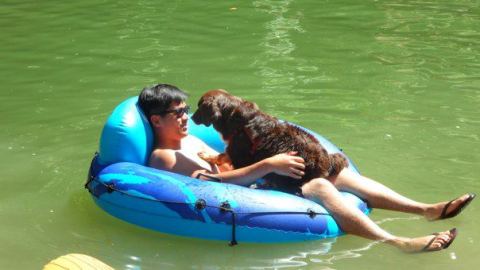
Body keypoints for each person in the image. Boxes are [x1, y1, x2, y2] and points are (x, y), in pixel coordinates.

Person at [138, 83, 475, 253]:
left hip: (257, 180)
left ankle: (426, 209)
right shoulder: (163, 157)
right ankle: (398, 242)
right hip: (241, 196)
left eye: (185, 111)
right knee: (320, 187)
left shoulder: (190, 141)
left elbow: (225, 160)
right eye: (177, 113)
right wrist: (270, 164)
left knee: (339, 173)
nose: (186, 118)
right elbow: (207, 184)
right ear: (156, 120)